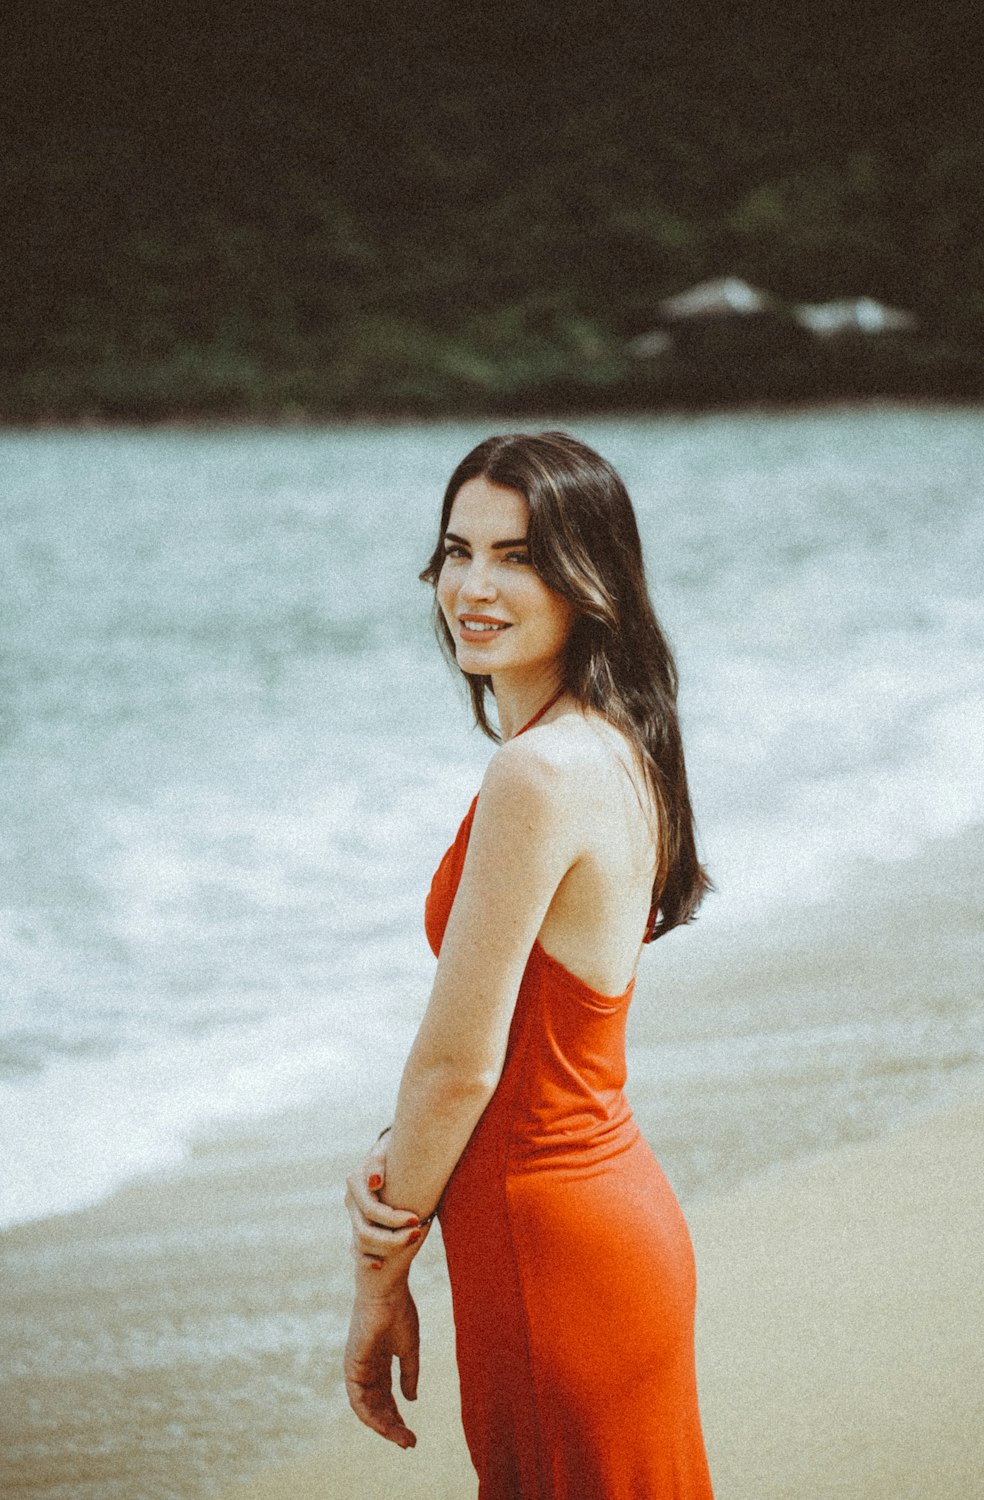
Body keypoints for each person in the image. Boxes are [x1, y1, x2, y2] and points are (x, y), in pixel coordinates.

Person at [343, 431, 714, 1498]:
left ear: (590, 581)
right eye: (457, 551)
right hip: (606, 1224)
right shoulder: (612, 743)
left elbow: (459, 1063)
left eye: (519, 555)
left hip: (549, 1252)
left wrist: (378, 1270)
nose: (473, 584)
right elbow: (526, 1055)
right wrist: (392, 1155)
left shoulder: (537, 772)